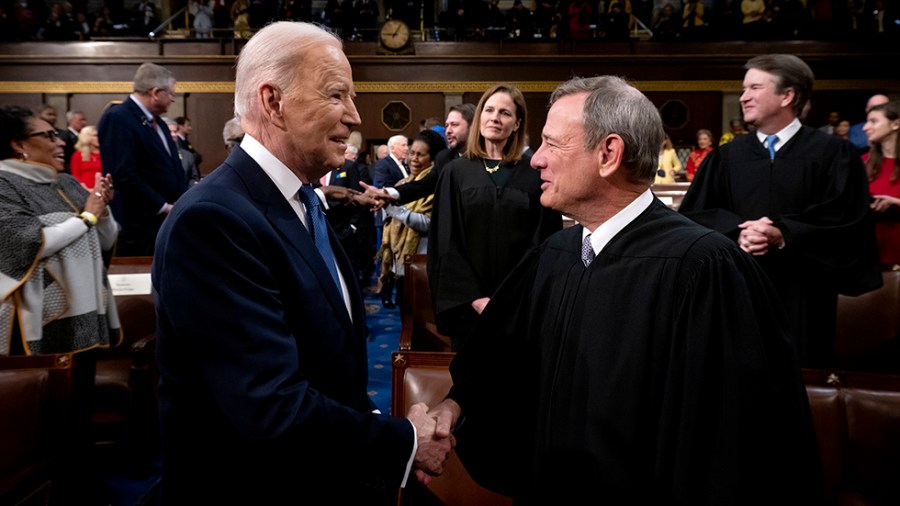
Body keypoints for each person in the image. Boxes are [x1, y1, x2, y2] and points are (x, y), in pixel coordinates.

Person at [421, 75, 822, 505]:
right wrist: (453, 407)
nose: (536, 160)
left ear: (609, 153)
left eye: (553, 144)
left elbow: (728, 449)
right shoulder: (554, 256)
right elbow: (500, 356)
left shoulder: (704, 270)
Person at [152, 22, 450, 504]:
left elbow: (323, 366)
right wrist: (405, 442)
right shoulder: (213, 220)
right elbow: (269, 409)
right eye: (336, 94)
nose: (355, 116)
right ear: (273, 102)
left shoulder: (300, 200)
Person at [679, 54, 882, 368]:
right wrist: (739, 232)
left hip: (806, 291)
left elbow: (846, 217)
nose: (743, 96)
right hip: (738, 287)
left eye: (754, 87)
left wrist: (784, 233)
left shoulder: (833, 153)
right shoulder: (728, 156)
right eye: (743, 88)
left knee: (802, 382)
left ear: (787, 95)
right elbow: (697, 213)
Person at [428, 82, 562, 351]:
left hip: (519, 308)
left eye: (505, 113)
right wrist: (475, 298)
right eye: (489, 110)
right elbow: (445, 240)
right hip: (467, 308)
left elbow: (543, 240)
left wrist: (510, 299)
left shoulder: (534, 174)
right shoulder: (455, 172)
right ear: (479, 118)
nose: (495, 118)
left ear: (516, 124)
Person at [98, 62, 187, 256]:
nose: (172, 100)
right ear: (155, 92)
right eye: (171, 94)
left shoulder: (160, 124)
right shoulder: (119, 118)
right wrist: (163, 207)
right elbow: (124, 175)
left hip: (165, 222)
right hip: (139, 227)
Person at [360, 103, 474, 210]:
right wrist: (386, 193)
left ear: (472, 126)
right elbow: (422, 186)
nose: (448, 131)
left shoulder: (489, 159)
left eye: (454, 125)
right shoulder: (444, 158)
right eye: (446, 126)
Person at [378, 129, 446, 309]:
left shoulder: (437, 186)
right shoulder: (402, 184)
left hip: (423, 262)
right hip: (400, 264)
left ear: (432, 159)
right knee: (405, 315)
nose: (414, 159)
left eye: (420, 155)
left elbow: (429, 224)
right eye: (412, 154)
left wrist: (392, 208)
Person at [863, 101, 900, 269]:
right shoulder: (862, 163)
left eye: (874, 121)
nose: (865, 127)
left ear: (895, 124)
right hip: (871, 253)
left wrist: (896, 203)